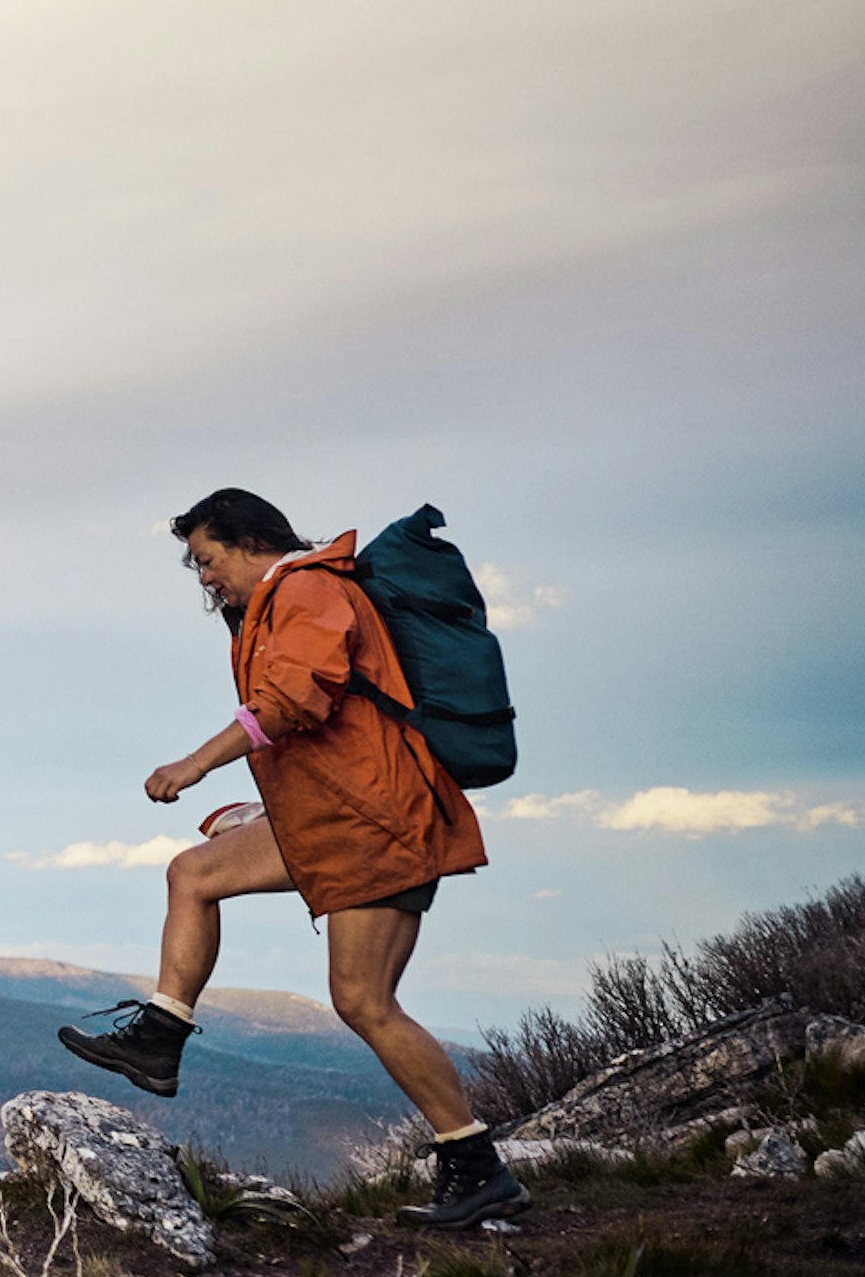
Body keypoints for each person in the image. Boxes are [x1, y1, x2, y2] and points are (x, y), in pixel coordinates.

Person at [56, 487, 524, 1228]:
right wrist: (263, 812)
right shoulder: (271, 609)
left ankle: (475, 1165)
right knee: (193, 873)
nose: (204, 578)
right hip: (334, 816)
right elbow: (331, 741)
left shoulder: (308, 588)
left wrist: (195, 764)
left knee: (363, 1000)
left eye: (207, 560)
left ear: (247, 542)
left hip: (380, 824)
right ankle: (160, 1038)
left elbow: (293, 702)